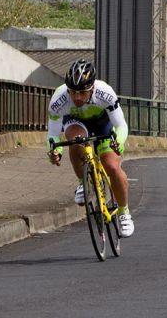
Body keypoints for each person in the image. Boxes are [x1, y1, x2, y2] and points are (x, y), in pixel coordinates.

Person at [47, 59, 134, 237]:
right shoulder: (59, 98)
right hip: (76, 122)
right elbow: (53, 134)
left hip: (103, 123)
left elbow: (121, 125)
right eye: (73, 92)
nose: (77, 97)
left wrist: (119, 141)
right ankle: (83, 183)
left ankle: (124, 212)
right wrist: (55, 151)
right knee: (75, 140)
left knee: (112, 167)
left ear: (92, 88)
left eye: (82, 93)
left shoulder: (105, 92)